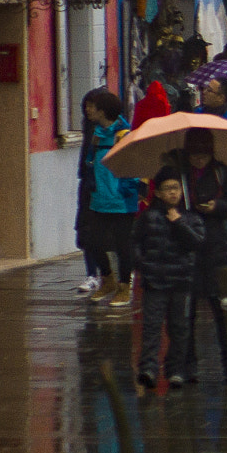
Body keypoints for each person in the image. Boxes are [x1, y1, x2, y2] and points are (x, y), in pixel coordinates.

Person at [174, 131, 227, 384]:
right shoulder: (178, 174)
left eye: (204, 156)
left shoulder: (220, 172)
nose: (199, 161)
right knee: (185, 314)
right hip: (187, 251)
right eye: (195, 156)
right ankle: (187, 365)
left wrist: (217, 207)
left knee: (223, 311)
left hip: (216, 249)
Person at [133, 169, 205, 390]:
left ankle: (175, 370)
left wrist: (179, 223)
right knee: (152, 327)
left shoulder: (190, 217)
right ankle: (148, 369)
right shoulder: (148, 217)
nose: (173, 193)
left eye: (176, 188)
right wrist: (143, 267)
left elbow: (197, 243)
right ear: (159, 193)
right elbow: (135, 244)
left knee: (179, 328)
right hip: (155, 281)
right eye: (168, 189)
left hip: (181, 281)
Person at [78, 89, 142, 305]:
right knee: (92, 241)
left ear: (103, 110)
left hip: (121, 200)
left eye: (92, 106)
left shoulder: (123, 134)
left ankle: (124, 287)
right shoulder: (97, 132)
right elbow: (90, 162)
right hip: (99, 198)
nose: (87, 109)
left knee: (123, 246)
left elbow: (133, 167)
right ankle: (108, 280)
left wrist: (126, 191)